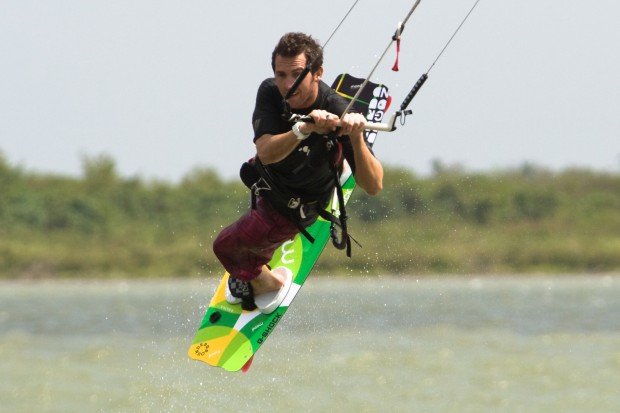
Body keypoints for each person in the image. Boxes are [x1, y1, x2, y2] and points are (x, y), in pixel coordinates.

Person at [213, 32, 383, 314]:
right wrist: (304, 129)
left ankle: (270, 283)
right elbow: (265, 151)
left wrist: (355, 136)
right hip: (268, 184)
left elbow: (374, 184)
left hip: (293, 207)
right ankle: (255, 263)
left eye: (296, 75)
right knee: (249, 234)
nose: (287, 85)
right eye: (281, 75)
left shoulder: (336, 110)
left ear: (317, 73)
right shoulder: (270, 91)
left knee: (225, 247)